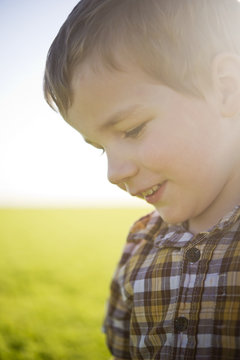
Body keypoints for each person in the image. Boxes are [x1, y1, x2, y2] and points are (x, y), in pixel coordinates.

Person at [43, 0, 240, 358]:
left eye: (132, 130)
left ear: (226, 88)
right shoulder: (139, 246)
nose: (114, 173)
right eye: (100, 148)